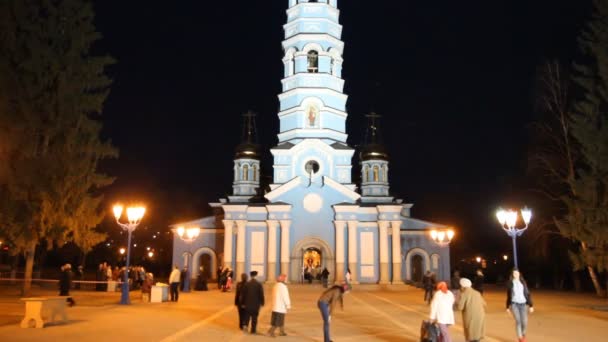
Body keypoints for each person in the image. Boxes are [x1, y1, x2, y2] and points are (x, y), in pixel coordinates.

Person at [506, 269, 534, 342]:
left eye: (517, 273)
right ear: (512, 275)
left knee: (524, 321)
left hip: (523, 305)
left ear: (519, 274)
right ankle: (520, 338)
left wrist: (531, 305)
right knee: (518, 321)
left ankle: (523, 334)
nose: (515, 274)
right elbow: (509, 296)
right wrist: (507, 307)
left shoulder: (523, 282)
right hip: (514, 305)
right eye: (514, 273)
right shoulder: (510, 283)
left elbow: (527, 293)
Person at [457, 278, 485, 342]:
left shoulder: (464, 294)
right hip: (480, 316)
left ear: (463, 286)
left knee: (471, 335)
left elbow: (460, 307)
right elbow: (484, 303)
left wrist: (457, 301)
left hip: (470, 317)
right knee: (477, 334)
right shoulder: (477, 293)